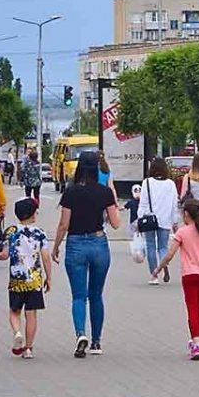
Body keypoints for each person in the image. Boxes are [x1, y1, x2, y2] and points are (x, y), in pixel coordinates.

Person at [52, 151, 120, 359]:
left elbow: (64, 224)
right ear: (97, 168)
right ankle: (96, 341)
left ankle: (81, 334)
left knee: (79, 296)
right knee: (96, 295)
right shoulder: (104, 192)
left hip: (75, 244)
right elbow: (116, 224)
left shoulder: (71, 192)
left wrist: (55, 247)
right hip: (99, 243)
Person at [153, 200, 199, 360]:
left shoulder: (182, 232)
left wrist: (158, 269)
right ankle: (197, 340)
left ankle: (195, 342)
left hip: (189, 276)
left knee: (192, 309)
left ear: (186, 214)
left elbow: (169, 254)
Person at [0, 198, 51, 360]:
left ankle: (17, 332)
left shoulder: (12, 231)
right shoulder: (40, 233)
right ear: (33, 214)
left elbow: (5, 255)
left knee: (14, 311)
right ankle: (28, 348)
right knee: (31, 314)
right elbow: (45, 257)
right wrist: (49, 277)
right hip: (34, 280)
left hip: (16, 279)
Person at [138, 158, 179, 285]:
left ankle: (154, 275)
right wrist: (175, 221)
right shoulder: (171, 184)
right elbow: (174, 204)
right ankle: (164, 264)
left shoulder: (147, 183)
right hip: (165, 219)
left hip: (149, 219)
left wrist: (140, 217)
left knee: (150, 246)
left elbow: (143, 202)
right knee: (163, 246)